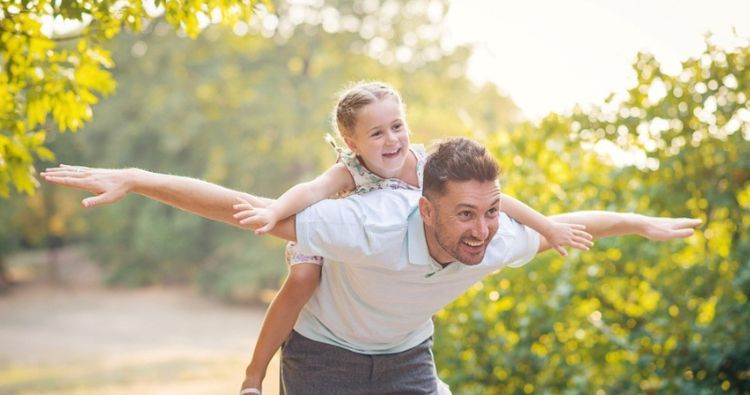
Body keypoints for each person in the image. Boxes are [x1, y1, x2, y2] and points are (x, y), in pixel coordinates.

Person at [41, 137, 701, 394]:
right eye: (466, 214)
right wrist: (136, 175)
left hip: (409, 360)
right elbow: (240, 207)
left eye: (492, 209)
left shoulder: (498, 237)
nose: (483, 230)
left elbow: (574, 224)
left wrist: (638, 222)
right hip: (323, 358)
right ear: (425, 210)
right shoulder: (368, 224)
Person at [229, 81, 591, 394]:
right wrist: (273, 212)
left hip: (387, 281)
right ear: (351, 142)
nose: (392, 140)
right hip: (339, 237)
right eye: (377, 133)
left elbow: (499, 200)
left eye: (397, 126)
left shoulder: (424, 165)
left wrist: (548, 227)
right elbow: (310, 191)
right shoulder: (348, 170)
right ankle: (254, 373)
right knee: (303, 279)